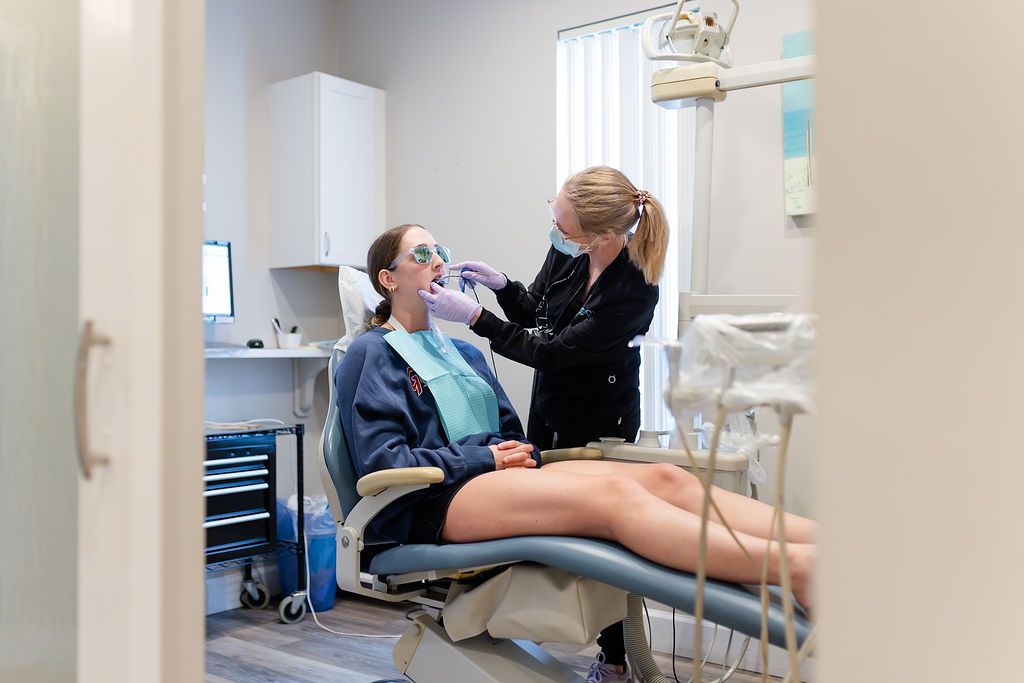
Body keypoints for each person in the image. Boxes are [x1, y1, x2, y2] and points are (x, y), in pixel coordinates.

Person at [337, 224, 817, 679]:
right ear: (388, 278)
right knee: (613, 498)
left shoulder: (464, 354)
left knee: (668, 480)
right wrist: (486, 460)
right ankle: (796, 569)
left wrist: (516, 454)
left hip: (495, 479)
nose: (439, 262)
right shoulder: (373, 353)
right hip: (429, 501)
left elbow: (512, 435)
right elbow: (385, 464)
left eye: (442, 252)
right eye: (423, 255)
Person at [416, 166, 665, 679]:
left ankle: (616, 662)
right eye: (554, 217)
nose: (555, 232)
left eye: (563, 226)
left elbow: (550, 351)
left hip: (602, 422)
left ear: (601, 236)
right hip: (551, 408)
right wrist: (503, 286)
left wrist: (474, 318)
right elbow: (538, 313)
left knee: (602, 540)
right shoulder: (569, 250)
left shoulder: (634, 290)